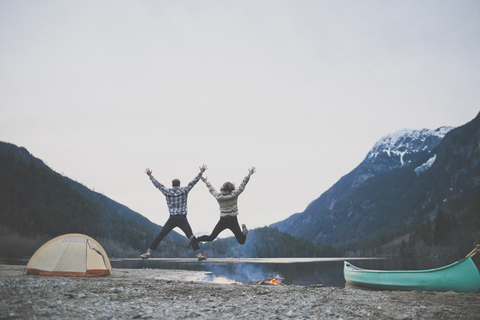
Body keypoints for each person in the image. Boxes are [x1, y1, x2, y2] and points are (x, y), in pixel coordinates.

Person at [140, 165, 208, 261]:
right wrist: (201, 173)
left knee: (160, 236)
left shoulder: (167, 192)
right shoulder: (184, 190)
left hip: (172, 218)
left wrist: (150, 176)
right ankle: (199, 255)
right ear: (179, 184)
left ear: (172, 185)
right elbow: (193, 182)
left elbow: (158, 185)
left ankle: (148, 253)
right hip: (182, 218)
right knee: (190, 236)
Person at [188, 167, 255, 247]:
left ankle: (195, 239)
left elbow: (211, 189)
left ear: (222, 188)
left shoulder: (218, 196)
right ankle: (243, 233)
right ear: (232, 188)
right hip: (233, 220)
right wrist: (249, 174)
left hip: (223, 220)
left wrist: (206, 182)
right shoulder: (234, 194)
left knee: (211, 237)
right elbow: (242, 185)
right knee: (241, 241)